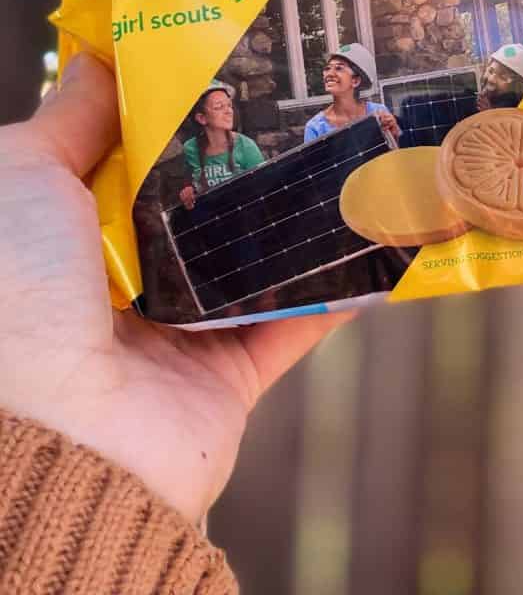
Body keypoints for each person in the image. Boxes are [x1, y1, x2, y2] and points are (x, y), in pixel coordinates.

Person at [0, 54, 349, 591]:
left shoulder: (249, 148)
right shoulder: (186, 154)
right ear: (202, 117)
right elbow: (178, 195)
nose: (225, 110)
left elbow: (258, 186)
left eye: (228, 103)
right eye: (216, 104)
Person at [179, 80, 265, 209]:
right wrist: (187, 191)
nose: (228, 111)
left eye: (229, 105)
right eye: (219, 107)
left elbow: (264, 188)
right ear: (201, 118)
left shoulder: (246, 146)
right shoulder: (190, 149)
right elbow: (188, 184)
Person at [303, 43, 401, 143]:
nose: (329, 74)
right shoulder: (315, 127)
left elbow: (394, 153)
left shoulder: (379, 112)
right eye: (327, 68)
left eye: (339, 68)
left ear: (355, 81)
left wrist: (394, 134)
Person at [475, 43, 523, 111]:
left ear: (517, 88)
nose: (491, 79)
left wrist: (490, 114)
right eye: (490, 71)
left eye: (503, 78)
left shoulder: (522, 112)